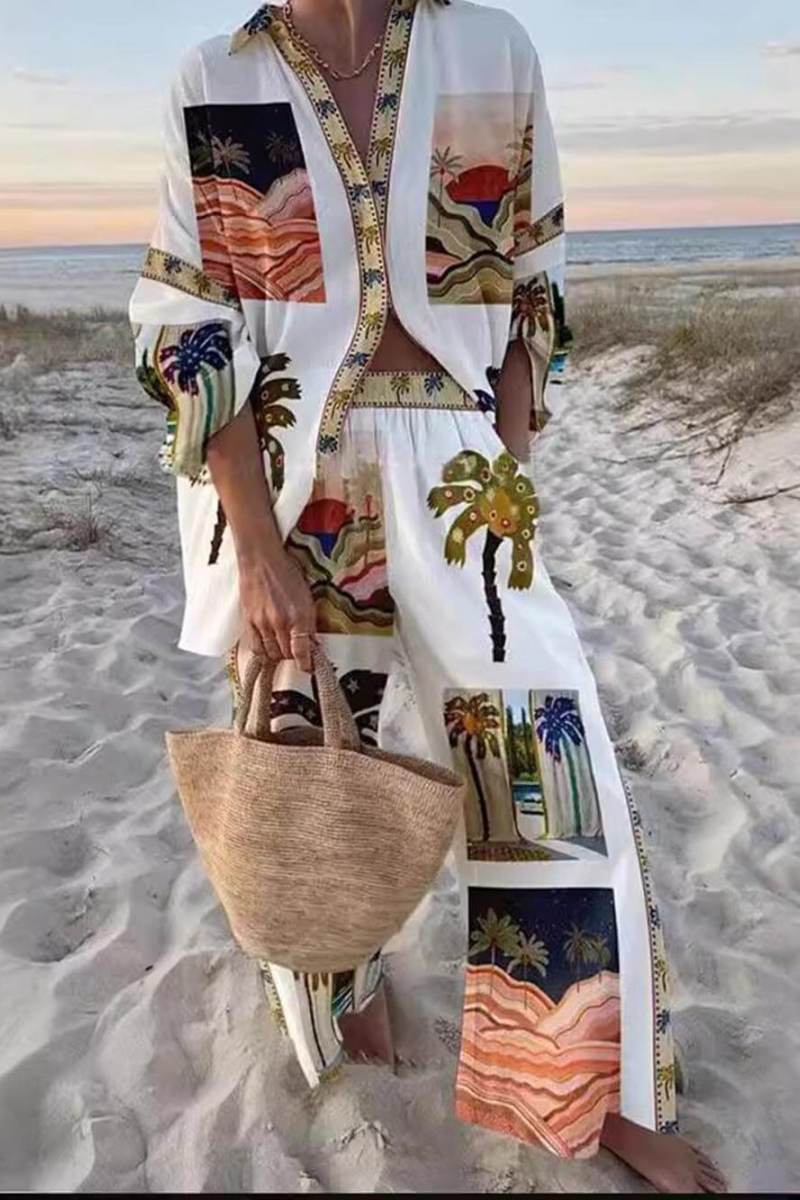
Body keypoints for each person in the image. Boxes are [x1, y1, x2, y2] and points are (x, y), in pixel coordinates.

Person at [129, 0, 725, 1190]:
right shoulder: (214, 78)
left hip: (460, 463)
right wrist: (256, 548)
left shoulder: (490, 51)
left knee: (542, 768)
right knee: (309, 760)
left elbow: (533, 283)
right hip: (292, 483)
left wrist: (506, 462)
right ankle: (343, 996)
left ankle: (578, 1086)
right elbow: (190, 326)